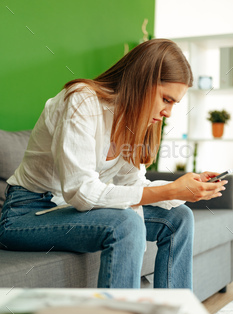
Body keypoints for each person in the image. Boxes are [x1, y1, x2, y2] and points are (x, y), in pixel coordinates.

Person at [0, 39, 227, 289]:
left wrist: (184, 188)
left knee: (179, 217)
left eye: (174, 103)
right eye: (166, 99)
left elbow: (133, 185)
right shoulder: (82, 101)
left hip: (71, 212)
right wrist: (171, 190)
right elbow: (81, 192)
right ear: (142, 81)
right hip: (25, 214)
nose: (168, 112)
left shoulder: (136, 119)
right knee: (126, 223)